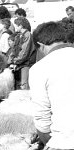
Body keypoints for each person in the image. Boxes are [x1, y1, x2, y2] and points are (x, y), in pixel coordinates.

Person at [29, 21, 74, 150]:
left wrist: (48, 141)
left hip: (65, 140)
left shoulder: (39, 69)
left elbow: (42, 115)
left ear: (40, 45)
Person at [11, 16, 35, 90]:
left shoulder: (27, 35)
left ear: (21, 25)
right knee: (20, 84)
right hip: (20, 64)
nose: (15, 27)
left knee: (24, 85)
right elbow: (14, 49)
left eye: (16, 25)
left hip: (26, 64)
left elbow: (24, 52)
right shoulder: (19, 35)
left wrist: (14, 60)